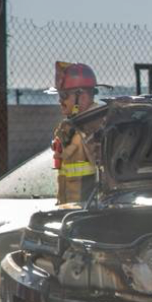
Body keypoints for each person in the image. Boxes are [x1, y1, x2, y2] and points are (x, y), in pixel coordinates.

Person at [47, 61, 102, 205]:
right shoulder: (71, 127)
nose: (60, 101)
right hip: (70, 212)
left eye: (64, 95)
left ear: (82, 97)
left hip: (89, 216)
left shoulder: (97, 127)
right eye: (59, 95)